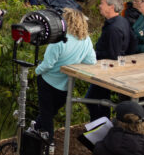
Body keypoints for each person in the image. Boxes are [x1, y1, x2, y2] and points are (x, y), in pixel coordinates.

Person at [32, 9, 96, 138]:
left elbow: (48, 64)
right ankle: (36, 127)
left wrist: (37, 71)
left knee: (46, 112)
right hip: (66, 83)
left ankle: (48, 141)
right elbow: (91, 61)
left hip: (48, 81)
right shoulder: (86, 40)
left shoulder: (59, 40)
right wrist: (75, 60)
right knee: (51, 111)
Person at [88, 0, 136, 119]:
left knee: (91, 99)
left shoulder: (114, 28)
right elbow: (133, 41)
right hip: (109, 69)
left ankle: (101, 126)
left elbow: (112, 55)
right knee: (100, 100)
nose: (99, 6)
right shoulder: (122, 21)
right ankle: (104, 124)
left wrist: (91, 54)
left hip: (106, 71)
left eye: (102, 3)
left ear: (111, 7)